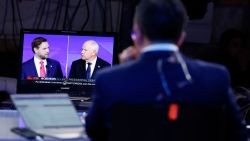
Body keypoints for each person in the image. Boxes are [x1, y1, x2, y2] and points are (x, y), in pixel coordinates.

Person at [85, 0, 247, 141]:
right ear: (181, 37)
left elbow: (95, 133)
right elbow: (238, 135)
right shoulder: (217, 77)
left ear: (137, 34)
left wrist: (123, 70)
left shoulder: (109, 79)